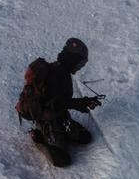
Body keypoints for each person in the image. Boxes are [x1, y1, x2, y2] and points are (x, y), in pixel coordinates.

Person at [16, 38, 102, 167]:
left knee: (85, 137)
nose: (79, 67)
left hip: (56, 113)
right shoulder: (58, 74)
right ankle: (39, 135)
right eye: (80, 63)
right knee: (61, 160)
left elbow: (60, 102)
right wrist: (82, 103)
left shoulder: (62, 71)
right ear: (72, 59)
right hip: (46, 116)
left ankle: (60, 130)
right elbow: (57, 103)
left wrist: (83, 103)